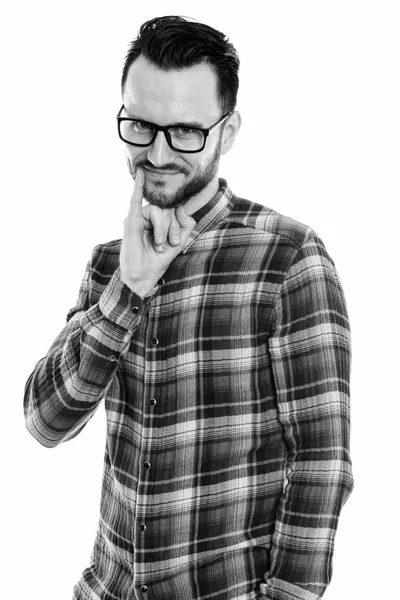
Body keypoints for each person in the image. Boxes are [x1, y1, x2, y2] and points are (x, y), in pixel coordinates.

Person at [24, 15, 354, 600]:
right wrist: (129, 289)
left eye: (184, 132)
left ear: (227, 132)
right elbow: (45, 422)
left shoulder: (288, 258)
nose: (156, 151)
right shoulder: (108, 265)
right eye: (140, 125)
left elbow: (321, 469)